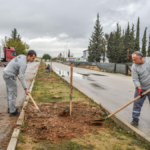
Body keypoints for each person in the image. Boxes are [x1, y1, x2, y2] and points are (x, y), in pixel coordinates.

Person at [3, 50, 36, 116]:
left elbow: (16, 64)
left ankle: (11, 108)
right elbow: (22, 77)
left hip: (6, 73)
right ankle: (12, 112)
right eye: (33, 58)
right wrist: (25, 88)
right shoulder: (24, 64)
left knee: (9, 92)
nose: (33, 60)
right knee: (13, 93)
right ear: (29, 56)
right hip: (10, 75)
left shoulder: (22, 56)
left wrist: (15, 71)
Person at [131, 51, 150, 126]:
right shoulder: (134, 66)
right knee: (137, 104)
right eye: (133, 59)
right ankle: (135, 119)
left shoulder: (149, 61)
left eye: (135, 60)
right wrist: (139, 89)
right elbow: (135, 79)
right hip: (141, 88)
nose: (133, 61)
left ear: (141, 58)